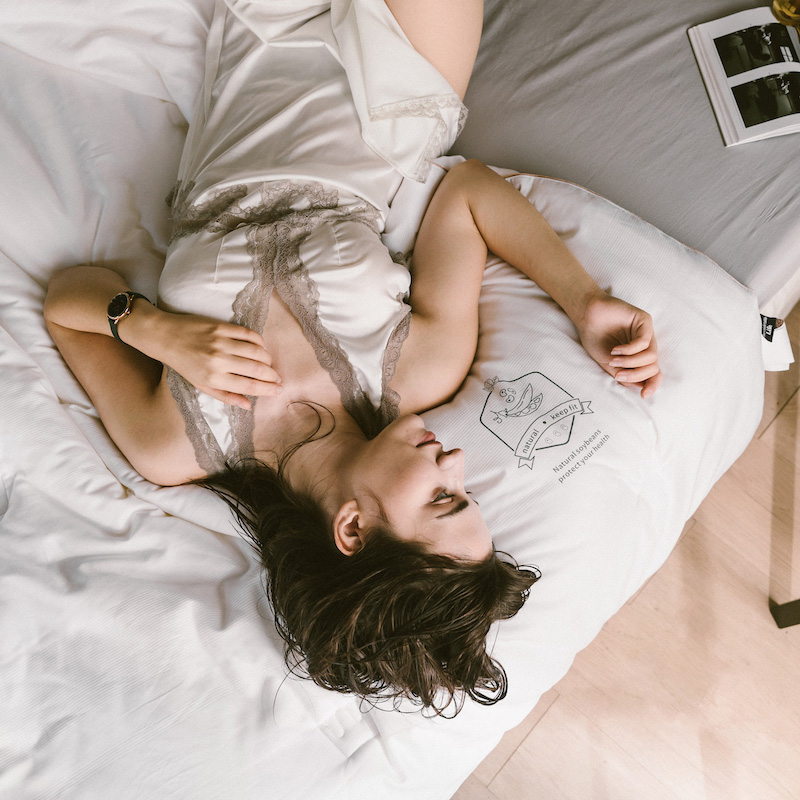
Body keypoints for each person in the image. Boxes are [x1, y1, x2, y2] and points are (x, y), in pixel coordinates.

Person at [43, 0, 661, 714]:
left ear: (353, 528)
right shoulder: (421, 371)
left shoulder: (176, 442)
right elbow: (467, 194)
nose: (456, 462)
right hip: (393, 77)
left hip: (254, 44)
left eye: (443, 497)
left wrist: (153, 330)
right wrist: (585, 301)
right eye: (467, 490)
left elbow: (67, 304)